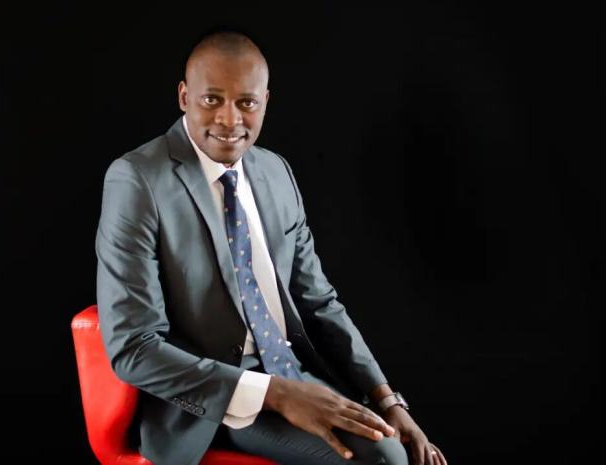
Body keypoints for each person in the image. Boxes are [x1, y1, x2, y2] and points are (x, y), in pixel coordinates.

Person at [95, 29, 447, 465]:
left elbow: (319, 303)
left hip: (294, 373)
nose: (230, 120)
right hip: (211, 403)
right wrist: (274, 394)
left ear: (265, 101)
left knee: (396, 446)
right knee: (383, 459)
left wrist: (387, 399)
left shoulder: (276, 173)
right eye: (212, 100)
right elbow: (134, 347)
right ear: (184, 97)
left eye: (246, 103)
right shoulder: (138, 181)